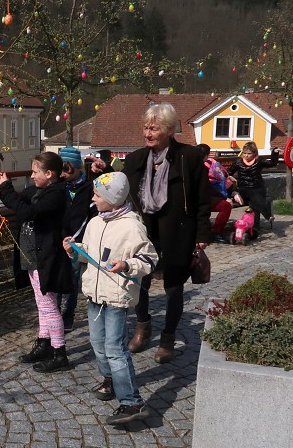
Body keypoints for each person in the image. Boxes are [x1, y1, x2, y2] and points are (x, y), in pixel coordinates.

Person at [94, 103, 212, 364]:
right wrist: (104, 171)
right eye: (146, 128)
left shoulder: (189, 157)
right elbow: (120, 188)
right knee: (139, 281)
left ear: (170, 130)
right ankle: (143, 325)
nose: (148, 133)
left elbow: (204, 199)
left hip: (179, 231)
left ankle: (168, 337)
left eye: (154, 129)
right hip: (144, 231)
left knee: (173, 287)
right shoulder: (136, 159)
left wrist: (202, 232)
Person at [63, 172, 157, 425]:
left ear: (111, 198)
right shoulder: (95, 222)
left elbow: (149, 259)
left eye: (96, 194)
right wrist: (76, 249)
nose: (93, 199)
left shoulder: (132, 226)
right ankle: (109, 380)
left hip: (116, 296)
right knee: (97, 343)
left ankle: (132, 402)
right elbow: (91, 257)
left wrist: (126, 264)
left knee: (115, 349)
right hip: (95, 294)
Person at [0, 152, 73, 373]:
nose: (31, 175)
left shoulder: (55, 195)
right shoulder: (39, 191)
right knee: (42, 304)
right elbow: (18, 201)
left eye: (35, 172)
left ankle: (60, 353)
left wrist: (7, 190)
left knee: (49, 306)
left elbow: (27, 212)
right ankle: (44, 343)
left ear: (49, 174)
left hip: (46, 258)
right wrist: (0, 188)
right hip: (33, 257)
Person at [58, 146, 95, 332]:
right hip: (59, 239)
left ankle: (68, 314)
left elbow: (92, 214)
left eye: (67, 169)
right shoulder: (59, 187)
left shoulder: (88, 188)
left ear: (76, 167)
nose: (63, 173)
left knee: (73, 279)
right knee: (57, 278)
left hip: (77, 242)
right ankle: (54, 314)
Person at [228, 141, 279, 227]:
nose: (246, 155)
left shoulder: (259, 161)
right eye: (244, 153)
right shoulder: (238, 161)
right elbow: (229, 173)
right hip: (243, 189)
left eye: (249, 153)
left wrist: (274, 153)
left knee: (255, 199)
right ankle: (268, 215)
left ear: (254, 153)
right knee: (254, 197)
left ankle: (255, 226)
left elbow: (272, 163)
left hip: (257, 188)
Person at [196, 144, 234, 243]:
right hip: (200, 198)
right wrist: (224, 198)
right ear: (206, 155)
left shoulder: (194, 165)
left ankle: (213, 232)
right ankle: (216, 232)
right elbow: (207, 187)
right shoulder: (201, 167)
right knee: (225, 206)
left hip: (198, 197)